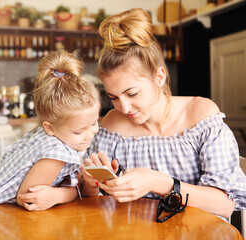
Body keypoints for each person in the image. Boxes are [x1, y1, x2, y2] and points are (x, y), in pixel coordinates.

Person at [81, 8, 246, 219]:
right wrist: (91, 182)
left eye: (132, 93)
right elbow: (91, 200)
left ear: (159, 77)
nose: (124, 107)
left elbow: (224, 205)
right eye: (113, 97)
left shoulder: (201, 117)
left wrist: (158, 182)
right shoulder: (112, 125)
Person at [0, 50, 100, 213]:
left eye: (94, 123)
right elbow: (28, 198)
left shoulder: (46, 135)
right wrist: (68, 193)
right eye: (79, 132)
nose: (91, 134)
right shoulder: (56, 152)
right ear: (50, 128)